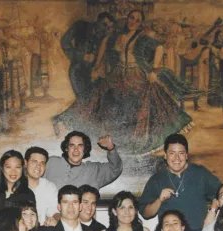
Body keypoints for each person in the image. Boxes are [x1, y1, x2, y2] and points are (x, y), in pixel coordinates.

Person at [53, 10, 197, 153]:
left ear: (140, 24)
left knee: (143, 107)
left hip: (135, 75)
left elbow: (159, 47)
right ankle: (71, 123)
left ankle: (133, 146)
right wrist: (97, 67)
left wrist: (154, 70)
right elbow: (104, 47)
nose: (133, 22)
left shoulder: (142, 37)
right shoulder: (116, 36)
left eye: (137, 20)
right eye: (131, 18)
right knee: (97, 97)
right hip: (118, 74)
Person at [139, 134, 221, 231]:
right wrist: (159, 200)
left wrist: (212, 212)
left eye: (181, 153)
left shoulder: (200, 173)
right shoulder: (157, 179)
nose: (177, 158)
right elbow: (145, 213)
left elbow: (221, 192)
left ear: (186, 155)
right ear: (165, 155)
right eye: (172, 153)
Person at [61, 12, 116, 98]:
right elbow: (64, 42)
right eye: (104, 24)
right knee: (82, 99)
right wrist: (81, 56)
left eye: (109, 27)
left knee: (94, 100)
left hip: (94, 72)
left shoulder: (106, 37)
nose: (105, 29)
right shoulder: (81, 25)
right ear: (97, 21)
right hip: (78, 70)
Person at [44, 131, 123, 190]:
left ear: (85, 149)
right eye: (72, 145)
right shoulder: (51, 162)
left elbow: (115, 169)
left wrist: (111, 148)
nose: (76, 149)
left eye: (80, 146)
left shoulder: (93, 171)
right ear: (66, 148)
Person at [0, 150, 36, 231]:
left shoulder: (28, 194)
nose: (13, 172)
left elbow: (31, 223)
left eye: (17, 167)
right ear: (2, 168)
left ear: (22, 168)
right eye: (8, 167)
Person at [24, 146, 59, 226]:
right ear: (25, 163)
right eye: (34, 162)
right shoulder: (16, 184)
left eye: (42, 163)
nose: (38, 166)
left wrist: (56, 219)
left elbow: (55, 212)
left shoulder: (49, 187)